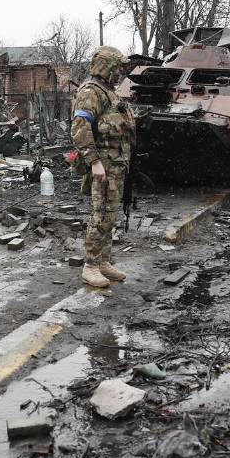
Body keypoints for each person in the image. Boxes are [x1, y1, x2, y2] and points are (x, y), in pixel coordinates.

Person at [71, 46, 135, 288]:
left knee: (111, 215)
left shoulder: (110, 92)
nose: (120, 73)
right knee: (100, 216)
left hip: (117, 165)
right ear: (107, 67)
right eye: (117, 68)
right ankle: (90, 266)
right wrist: (95, 162)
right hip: (104, 166)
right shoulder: (91, 92)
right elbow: (80, 128)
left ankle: (103, 262)